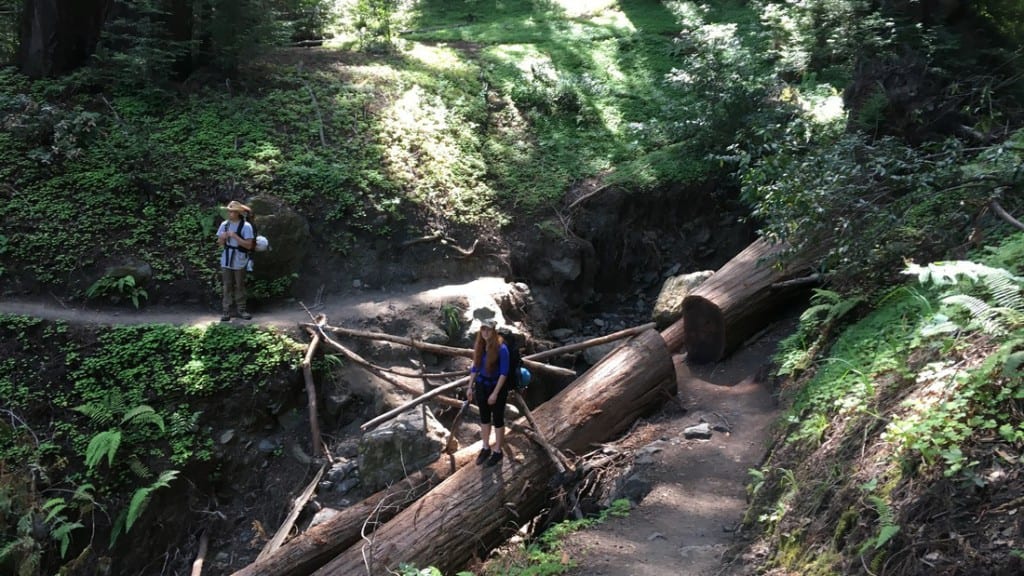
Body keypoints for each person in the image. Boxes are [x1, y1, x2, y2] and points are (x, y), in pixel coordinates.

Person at [467, 318, 510, 467]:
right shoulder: (480, 346)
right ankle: (485, 447)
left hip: (496, 387)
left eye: (488, 329)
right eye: (483, 329)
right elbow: (475, 367)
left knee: (498, 418)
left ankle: (497, 451)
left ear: (493, 331)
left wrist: (495, 393)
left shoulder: (501, 348)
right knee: (484, 418)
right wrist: (469, 386)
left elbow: (504, 373)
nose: (485, 332)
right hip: (482, 385)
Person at [216, 200, 255, 322]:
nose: (230, 213)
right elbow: (220, 244)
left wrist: (234, 236)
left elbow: (249, 245)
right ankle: (226, 311)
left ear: (238, 213)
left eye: (232, 211)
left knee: (240, 285)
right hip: (226, 259)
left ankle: (242, 310)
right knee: (227, 285)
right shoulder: (224, 225)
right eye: (229, 211)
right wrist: (222, 238)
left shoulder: (246, 226)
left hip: (239, 259)